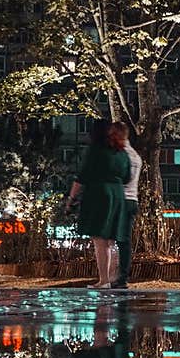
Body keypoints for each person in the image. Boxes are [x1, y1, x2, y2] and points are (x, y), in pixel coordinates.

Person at [64, 119, 129, 288]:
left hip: (100, 194)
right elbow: (127, 176)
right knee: (111, 240)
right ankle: (114, 277)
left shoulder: (96, 150)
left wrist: (71, 199)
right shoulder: (122, 152)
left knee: (100, 239)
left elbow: (82, 176)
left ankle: (104, 280)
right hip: (118, 195)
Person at [109, 121, 142, 289]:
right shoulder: (135, 155)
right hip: (132, 200)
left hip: (121, 200)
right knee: (123, 240)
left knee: (116, 239)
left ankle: (119, 277)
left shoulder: (121, 154)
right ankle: (119, 275)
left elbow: (118, 178)